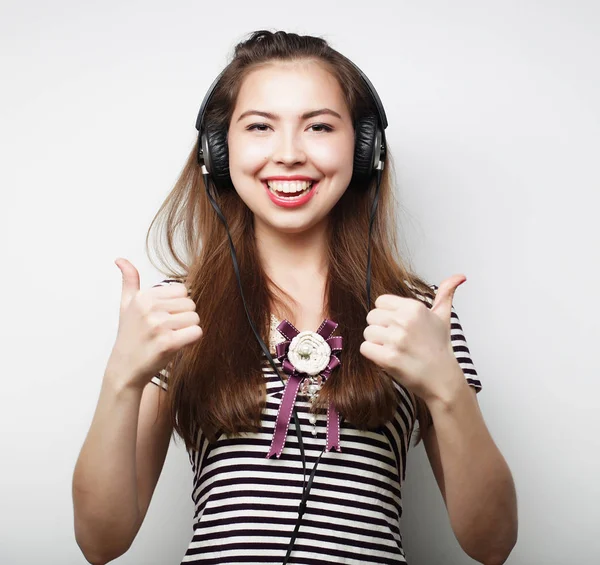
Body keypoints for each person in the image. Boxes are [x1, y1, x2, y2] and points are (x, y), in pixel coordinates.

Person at [72, 30, 518, 565]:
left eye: (320, 127)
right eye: (259, 126)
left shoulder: (417, 315)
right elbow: (100, 543)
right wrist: (122, 378)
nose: (288, 154)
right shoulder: (178, 311)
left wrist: (447, 387)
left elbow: (493, 545)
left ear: (365, 146)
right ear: (218, 150)